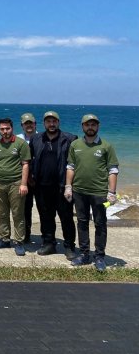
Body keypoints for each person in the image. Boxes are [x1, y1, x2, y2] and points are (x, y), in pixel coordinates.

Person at [65, 114, 119, 272]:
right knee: (81, 222)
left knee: (100, 224)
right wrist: (68, 186)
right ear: (82, 126)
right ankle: (84, 254)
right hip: (79, 191)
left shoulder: (106, 146)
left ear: (98, 126)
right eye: (87, 124)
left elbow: (113, 170)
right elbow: (70, 167)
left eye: (93, 125)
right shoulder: (75, 145)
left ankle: (100, 256)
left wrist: (112, 192)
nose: (90, 127)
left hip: (99, 192)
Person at [29, 111, 78, 259]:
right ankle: (49, 243)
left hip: (62, 186)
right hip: (42, 186)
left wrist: (71, 184)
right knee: (45, 216)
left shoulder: (70, 139)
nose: (51, 124)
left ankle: (69, 246)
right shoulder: (36, 138)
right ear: (44, 123)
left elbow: (75, 163)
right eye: (48, 121)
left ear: (58, 122)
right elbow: (30, 159)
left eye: (54, 121)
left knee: (66, 217)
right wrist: (31, 177)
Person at [0, 117, 31, 256]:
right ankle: (4, 239)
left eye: (7, 128)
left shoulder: (21, 144)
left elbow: (25, 164)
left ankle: (19, 242)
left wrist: (23, 184)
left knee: (18, 214)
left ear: (12, 128)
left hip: (16, 183)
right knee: (2, 213)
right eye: (2, 129)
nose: (5, 131)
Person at [18, 113, 37, 243]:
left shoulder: (42, 137)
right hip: (25, 180)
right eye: (26, 123)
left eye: (31, 123)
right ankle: (26, 234)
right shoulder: (18, 139)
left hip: (40, 180)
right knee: (25, 208)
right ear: (22, 125)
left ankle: (48, 237)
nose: (29, 125)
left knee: (45, 209)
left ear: (35, 124)